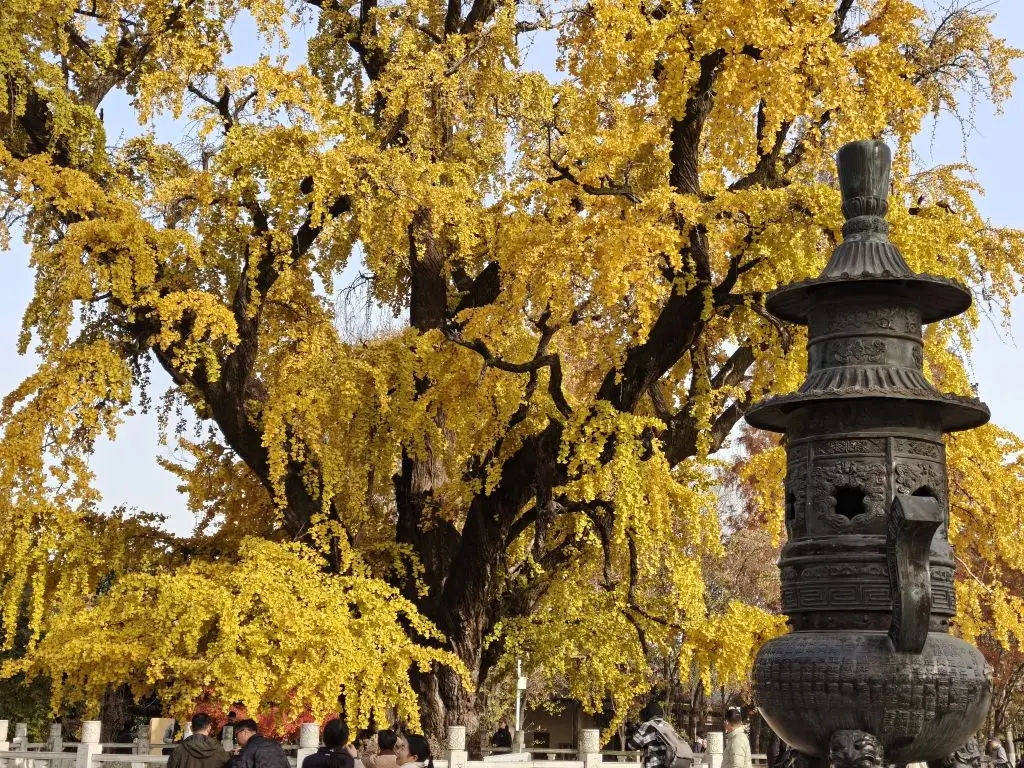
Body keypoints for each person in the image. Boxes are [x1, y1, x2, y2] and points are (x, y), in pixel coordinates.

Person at [627, 702, 693, 768]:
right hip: (670, 765)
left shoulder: (647, 725)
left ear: (648, 714)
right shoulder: (667, 725)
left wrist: (632, 733)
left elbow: (632, 746)